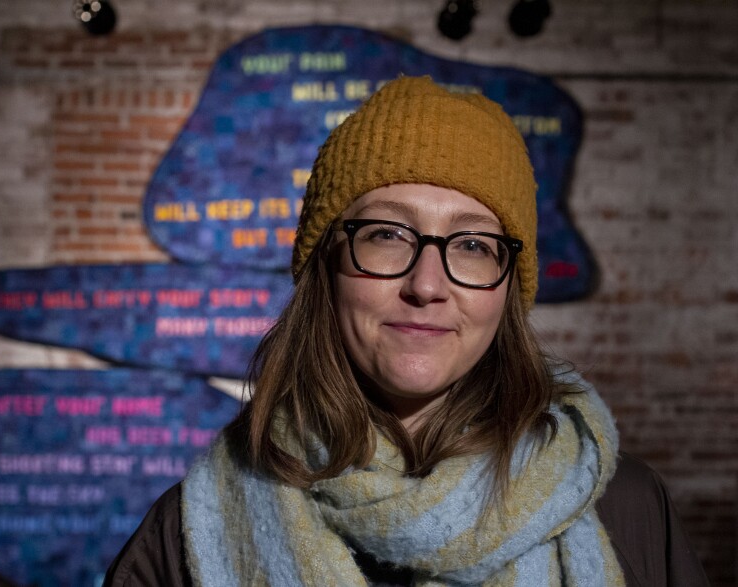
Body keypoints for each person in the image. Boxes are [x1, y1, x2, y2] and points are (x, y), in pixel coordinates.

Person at [105, 76, 708, 586]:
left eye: (473, 245)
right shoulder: (185, 536)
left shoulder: (628, 511)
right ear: (325, 266)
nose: (427, 284)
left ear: (507, 288)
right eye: (387, 235)